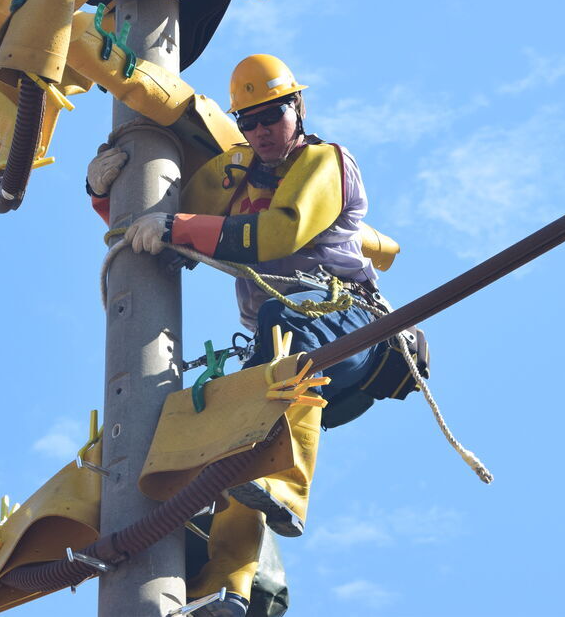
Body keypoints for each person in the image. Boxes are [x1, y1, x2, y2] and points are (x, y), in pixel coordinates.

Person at [88, 54, 394, 616]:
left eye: (271, 117)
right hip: (283, 336)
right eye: (248, 122)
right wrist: (106, 188)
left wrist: (179, 228)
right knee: (235, 442)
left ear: (296, 108)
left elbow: (281, 231)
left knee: (284, 337)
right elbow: (157, 213)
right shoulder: (237, 172)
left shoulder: (326, 161)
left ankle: (287, 488)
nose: (260, 132)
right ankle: (226, 588)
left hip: (352, 323)